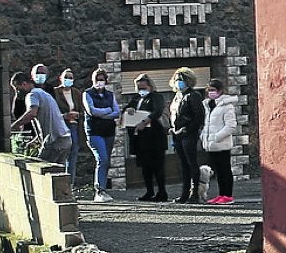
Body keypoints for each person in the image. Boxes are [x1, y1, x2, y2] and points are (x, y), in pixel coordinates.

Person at [9, 72, 71, 167]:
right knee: (57, 174)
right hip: (65, 139)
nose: (17, 92)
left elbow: (32, 113)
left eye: (17, 88)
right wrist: (36, 140)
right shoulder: (43, 94)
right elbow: (49, 119)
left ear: (24, 84)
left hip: (55, 142)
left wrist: (14, 126)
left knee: (41, 169)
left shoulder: (32, 95)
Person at [123, 72, 169, 202]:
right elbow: (127, 108)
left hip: (155, 137)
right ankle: (149, 191)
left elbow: (158, 110)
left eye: (143, 88)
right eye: (139, 88)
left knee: (158, 166)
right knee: (145, 167)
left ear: (150, 86)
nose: (141, 91)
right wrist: (129, 109)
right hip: (141, 139)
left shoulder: (156, 97)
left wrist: (145, 121)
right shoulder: (136, 98)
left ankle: (161, 192)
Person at [167, 67, 205, 203]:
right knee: (183, 165)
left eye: (181, 80)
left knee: (191, 163)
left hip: (188, 134)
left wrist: (187, 129)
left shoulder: (193, 96)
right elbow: (173, 114)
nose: (179, 82)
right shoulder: (177, 97)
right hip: (177, 134)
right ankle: (184, 193)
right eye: (177, 80)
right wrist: (172, 128)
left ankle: (194, 193)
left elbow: (199, 116)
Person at [83, 68, 120, 203]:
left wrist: (104, 114)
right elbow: (91, 111)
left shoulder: (110, 95)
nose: (99, 82)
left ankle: (103, 188)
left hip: (108, 132)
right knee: (102, 159)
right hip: (94, 132)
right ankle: (99, 190)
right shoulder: (87, 94)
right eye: (97, 80)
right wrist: (107, 111)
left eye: (102, 79)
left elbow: (117, 112)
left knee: (106, 161)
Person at [200, 79, 237, 204]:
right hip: (211, 144)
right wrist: (204, 137)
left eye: (213, 90)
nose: (211, 93)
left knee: (225, 169)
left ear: (220, 91)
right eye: (209, 90)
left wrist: (217, 137)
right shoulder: (208, 105)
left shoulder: (227, 106)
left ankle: (228, 195)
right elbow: (207, 124)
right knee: (218, 172)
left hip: (222, 144)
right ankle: (221, 194)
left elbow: (231, 125)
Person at [51, 67, 84, 183]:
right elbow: (52, 111)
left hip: (74, 126)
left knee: (73, 154)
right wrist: (64, 116)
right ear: (60, 78)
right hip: (61, 126)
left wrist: (77, 115)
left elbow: (83, 111)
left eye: (70, 78)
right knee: (61, 153)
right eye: (66, 77)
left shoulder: (76, 93)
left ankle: (70, 183)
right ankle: (60, 181)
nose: (68, 80)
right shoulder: (55, 92)